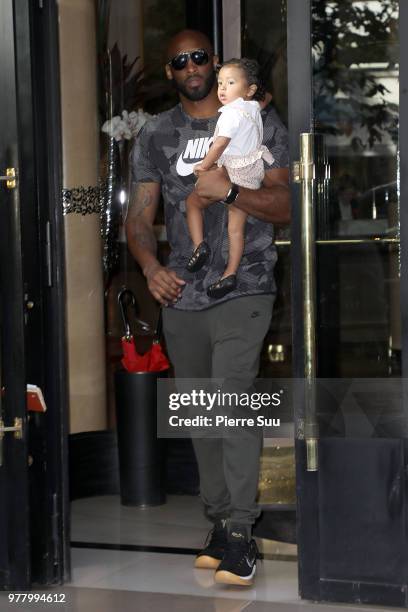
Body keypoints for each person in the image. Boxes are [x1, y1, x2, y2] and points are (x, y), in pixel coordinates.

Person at [126, 29, 290, 586]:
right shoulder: (155, 134)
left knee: (232, 405)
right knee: (203, 416)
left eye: (200, 57)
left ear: (216, 64)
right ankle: (219, 521)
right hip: (182, 296)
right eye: (180, 62)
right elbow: (139, 215)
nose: (192, 66)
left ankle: (243, 532)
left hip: (245, 286)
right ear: (171, 73)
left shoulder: (258, 120)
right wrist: (151, 269)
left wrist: (232, 193)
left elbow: (287, 204)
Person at [185, 58, 274, 299]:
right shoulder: (253, 107)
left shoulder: (231, 114)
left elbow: (220, 144)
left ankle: (199, 246)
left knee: (192, 203)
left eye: (231, 83)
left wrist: (204, 166)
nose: (222, 89)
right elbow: (266, 99)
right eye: (220, 82)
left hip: (232, 171)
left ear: (249, 89)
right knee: (236, 229)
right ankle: (230, 274)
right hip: (251, 171)